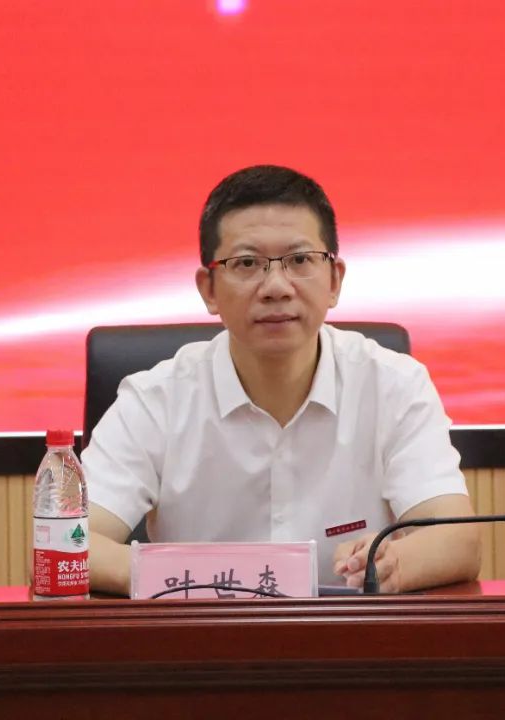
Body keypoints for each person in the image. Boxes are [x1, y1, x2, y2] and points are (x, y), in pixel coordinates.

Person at [82, 165, 480, 594]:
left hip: (349, 633)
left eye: (300, 260)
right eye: (247, 263)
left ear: (334, 280)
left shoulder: (394, 385)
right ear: (208, 289)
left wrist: (392, 564)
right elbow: (63, 549)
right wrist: (194, 577)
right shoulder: (154, 400)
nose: (276, 286)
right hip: (199, 633)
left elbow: (457, 540)